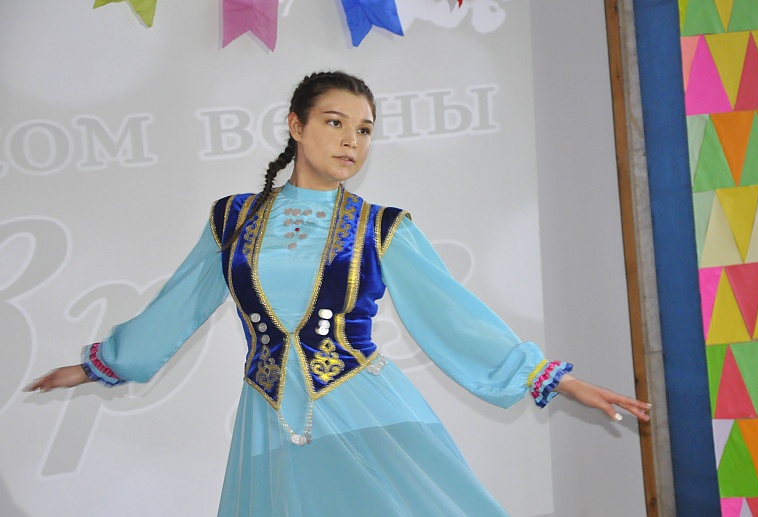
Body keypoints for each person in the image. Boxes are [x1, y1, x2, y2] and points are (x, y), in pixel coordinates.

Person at [26, 71, 651, 516]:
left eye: (365, 129)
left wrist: (553, 379)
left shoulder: (382, 227)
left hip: (366, 409)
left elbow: (453, 316)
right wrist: (99, 365)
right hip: (269, 414)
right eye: (335, 122)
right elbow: (179, 305)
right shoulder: (233, 219)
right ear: (295, 126)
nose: (352, 140)